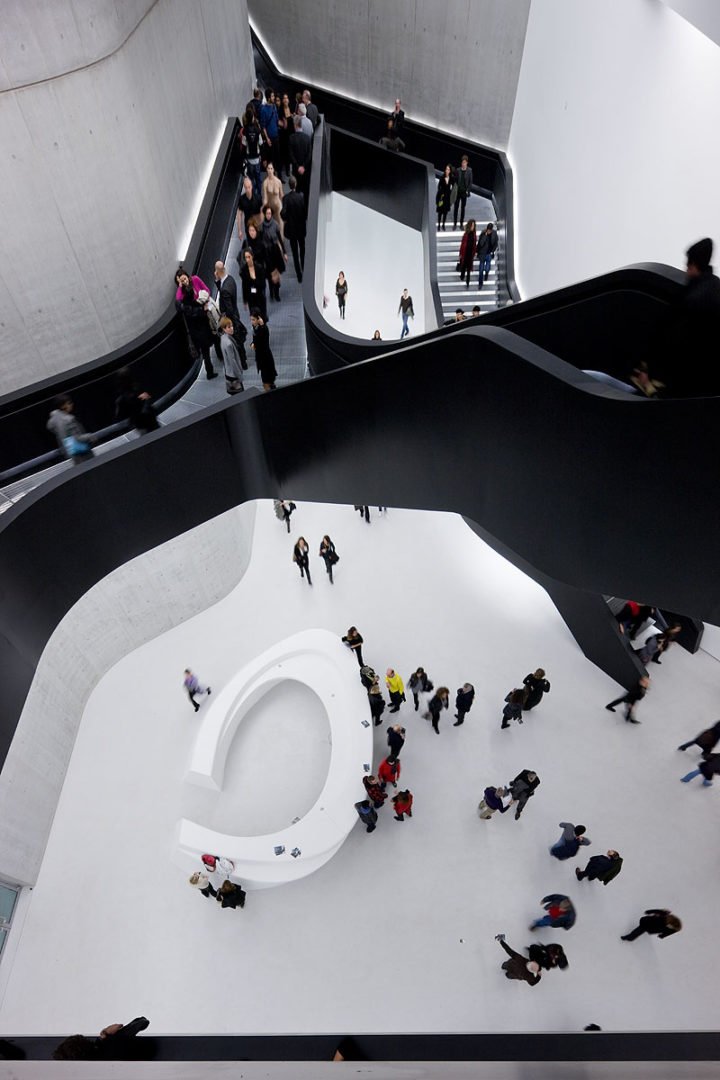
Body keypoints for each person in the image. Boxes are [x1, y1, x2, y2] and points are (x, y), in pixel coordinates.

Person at [633, 238, 720, 398]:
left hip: (679, 390)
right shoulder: (714, 290)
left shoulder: (692, 300)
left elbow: (671, 339)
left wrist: (647, 379)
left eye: (687, 266)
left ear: (693, 265)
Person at [174, 267, 217, 379]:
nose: (185, 281)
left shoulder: (195, 280)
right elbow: (178, 303)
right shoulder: (183, 294)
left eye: (185, 278)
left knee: (214, 336)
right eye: (181, 280)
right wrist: (180, 286)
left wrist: (204, 301)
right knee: (205, 348)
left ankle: (215, 363)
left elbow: (206, 290)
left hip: (203, 318)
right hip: (197, 323)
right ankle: (210, 371)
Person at [52, 1017, 150, 1061]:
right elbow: (142, 1021)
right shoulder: (108, 1046)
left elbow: (142, 1022)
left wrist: (105, 1035)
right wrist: (105, 1034)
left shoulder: (108, 1048)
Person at [214, 262, 248, 366]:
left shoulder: (225, 290)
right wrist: (217, 280)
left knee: (237, 340)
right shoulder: (230, 279)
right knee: (238, 341)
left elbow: (228, 308)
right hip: (235, 314)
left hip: (231, 318)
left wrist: (229, 322)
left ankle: (242, 362)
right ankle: (244, 359)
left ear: (217, 272)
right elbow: (223, 289)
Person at [46, 393, 95, 462]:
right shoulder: (69, 419)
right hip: (82, 453)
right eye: (69, 403)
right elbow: (77, 438)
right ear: (63, 406)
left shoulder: (54, 422)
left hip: (70, 454)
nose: (72, 404)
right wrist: (90, 436)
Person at [113, 368, 159, 434]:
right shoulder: (123, 394)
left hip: (148, 419)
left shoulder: (136, 388)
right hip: (140, 423)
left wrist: (144, 410)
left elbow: (146, 398)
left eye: (125, 378)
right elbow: (119, 415)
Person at [281, 175, 306, 282]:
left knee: (295, 253)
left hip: (292, 230)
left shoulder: (286, 198)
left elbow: (283, 213)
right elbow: (305, 212)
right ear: (295, 185)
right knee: (302, 250)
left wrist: (286, 219)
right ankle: (304, 268)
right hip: (300, 228)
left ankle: (299, 275)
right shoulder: (301, 197)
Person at [261, 204, 287, 302]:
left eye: (270, 213)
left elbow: (279, 238)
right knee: (269, 274)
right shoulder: (262, 227)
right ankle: (271, 291)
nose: (268, 215)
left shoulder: (275, 224)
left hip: (275, 251)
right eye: (267, 213)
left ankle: (276, 293)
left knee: (277, 273)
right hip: (267, 253)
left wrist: (284, 252)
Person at [250, 309, 277, 391]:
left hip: (265, 358)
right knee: (267, 378)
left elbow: (263, 341)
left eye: (253, 320)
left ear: (259, 319)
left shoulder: (263, 329)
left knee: (266, 380)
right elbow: (255, 340)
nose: (252, 322)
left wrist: (262, 326)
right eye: (251, 319)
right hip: (261, 357)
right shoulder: (255, 327)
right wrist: (253, 343)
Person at [218, 317, 245, 395]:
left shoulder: (223, 338)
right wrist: (240, 376)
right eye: (229, 327)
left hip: (228, 373)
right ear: (224, 329)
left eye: (232, 326)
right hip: (233, 375)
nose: (232, 328)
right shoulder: (229, 343)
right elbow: (232, 361)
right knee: (241, 396)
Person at [240, 250, 268, 322]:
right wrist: (245, 300)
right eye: (246, 257)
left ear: (252, 256)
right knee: (253, 316)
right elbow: (244, 285)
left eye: (249, 257)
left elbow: (263, 284)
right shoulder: (244, 270)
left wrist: (254, 280)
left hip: (260, 295)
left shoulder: (259, 267)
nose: (247, 259)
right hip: (251, 297)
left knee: (262, 315)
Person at [242, 109, 263, 202]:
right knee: (258, 178)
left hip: (249, 159)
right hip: (257, 158)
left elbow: (244, 143)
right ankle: (260, 196)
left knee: (251, 178)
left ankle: (253, 196)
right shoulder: (257, 130)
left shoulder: (245, 130)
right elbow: (261, 143)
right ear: (253, 118)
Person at [289, 115, 312, 200]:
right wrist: (303, 166)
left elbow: (291, 155)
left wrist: (298, 166)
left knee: (296, 189)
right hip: (305, 171)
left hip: (296, 170)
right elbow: (309, 155)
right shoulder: (307, 139)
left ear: (295, 125)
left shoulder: (291, 138)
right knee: (305, 189)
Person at [262, 161, 284, 235]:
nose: (270, 170)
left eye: (271, 168)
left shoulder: (278, 182)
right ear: (267, 170)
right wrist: (264, 206)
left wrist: (285, 207)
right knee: (272, 225)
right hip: (270, 206)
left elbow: (281, 195)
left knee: (280, 222)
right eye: (268, 168)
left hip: (278, 205)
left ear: (273, 170)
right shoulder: (265, 183)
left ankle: (281, 239)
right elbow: (265, 197)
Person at [237, 176, 261, 242]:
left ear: (251, 186)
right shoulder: (242, 199)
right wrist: (239, 230)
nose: (248, 189)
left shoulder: (258, 198)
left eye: (249, 187)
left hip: (257, 224)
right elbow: (239, 214)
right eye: (246, 187)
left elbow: (261, 213)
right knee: (250, 241)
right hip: (248, 224)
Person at [259, 88, 279, 170]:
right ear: (268, 98)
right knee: (270, 159)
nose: (274, 97)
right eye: (272, 96)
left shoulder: (274, 107)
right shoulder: (263, 110)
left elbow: (276, 120)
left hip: (276, 136)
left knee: (277, 157)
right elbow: (263, 126)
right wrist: (267, 138)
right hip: (269, 138)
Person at [453, 155, 473, 229]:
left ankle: (461, 223)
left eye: (464, 162)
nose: (463, 164)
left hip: (464, 193)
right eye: (462, 162)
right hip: (457, 192)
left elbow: (470, 182)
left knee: (462, 208)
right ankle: (455, 223)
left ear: (467, 163)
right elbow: (455, 180)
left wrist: (468, 190)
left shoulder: (469, 170)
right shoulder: (458, 170)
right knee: (456, 208)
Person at [458, 219, 477, 287]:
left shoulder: (474, 235)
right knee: (463, 266)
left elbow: (474, 245)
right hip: (465, 253)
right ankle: (462, 276)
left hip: (470, 254)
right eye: (472, 226)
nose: (473, 227)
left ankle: (467, 282)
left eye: (473, 226)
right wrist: (460, 253)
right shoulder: (466, 234)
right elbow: (462, 244)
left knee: (469, 268)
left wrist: (474, 252)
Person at [436, 164, 453, 230]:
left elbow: (452, 186)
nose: (447, 171)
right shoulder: (442, 177)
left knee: (445, 213)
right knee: (440, 213)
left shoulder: (451, 178)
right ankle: (439, 225)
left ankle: (443, 224)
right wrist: (441, 192)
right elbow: (439, 186)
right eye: (446, 169)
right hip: (442, 197)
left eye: (448, 169)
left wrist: (450, 191)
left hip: (447, 198)